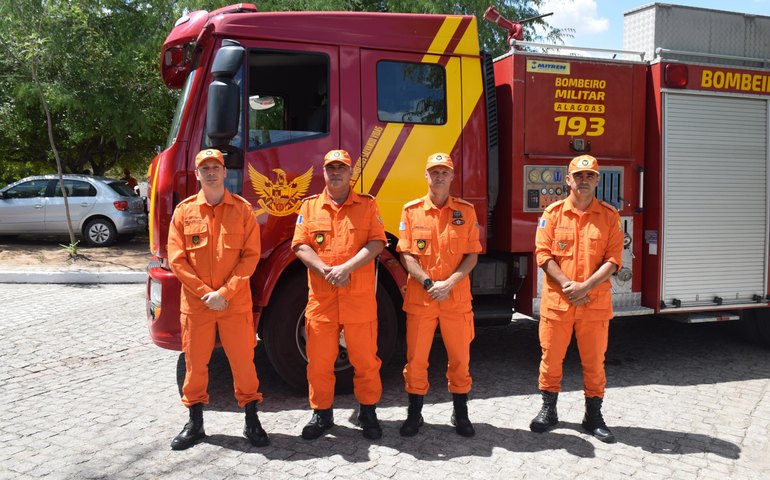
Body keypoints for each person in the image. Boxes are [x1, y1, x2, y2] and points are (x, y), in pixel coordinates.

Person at [167, 148, 269, 450]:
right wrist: (205, 294)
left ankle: (252, 420)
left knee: (243, 363)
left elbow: (250, 257)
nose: (211, 172)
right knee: (195, 364)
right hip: (197, 306)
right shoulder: (183, 212)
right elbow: (177, 259)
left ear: (225, 173)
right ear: (197, 174)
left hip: (233, 303)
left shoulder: (242, 210)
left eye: (216, 167)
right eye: (205, 168)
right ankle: (195, 424)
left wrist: (223, 293)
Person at [291, 149, 387, 440]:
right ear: (324, 172)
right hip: (322, 301)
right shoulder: (309, 207)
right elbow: (300, 244)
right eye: (331, 167)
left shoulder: (367, 205)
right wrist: (323, 268)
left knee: (366, 361)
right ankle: (321, 414)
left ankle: (368, 412)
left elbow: (377, 243)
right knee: (319, 362)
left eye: (341, 168)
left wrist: (346, 268)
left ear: (350, 173)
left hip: (358, 299)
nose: (336, 172)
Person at [529, 154, 623, 444]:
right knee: (551, 358)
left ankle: (592, 416)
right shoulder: (553, 214)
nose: (584, 181)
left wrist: (586, 286)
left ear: (597, 180)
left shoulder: (610, 216)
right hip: (559, 301)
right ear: (568, 180)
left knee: (594, 362)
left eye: (589, 176)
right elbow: (543, 255)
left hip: (594, 303)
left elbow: (613, 260)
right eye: (578, 176)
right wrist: (570, 285)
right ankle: (549, 410)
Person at [396, 152, 482, 438]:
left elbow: (471, 256)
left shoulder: (466, 211)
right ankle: (414, 414)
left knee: (460, 358)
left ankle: (460, 414)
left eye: (444, 171)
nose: (439, 176)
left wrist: (450, 283)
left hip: (456, 299)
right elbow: (406, 254)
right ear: (426, 175)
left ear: (452, 176)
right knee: (416, 359)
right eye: (434, 171)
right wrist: (430, 282)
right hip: (422, 297)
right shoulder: (411, 211)